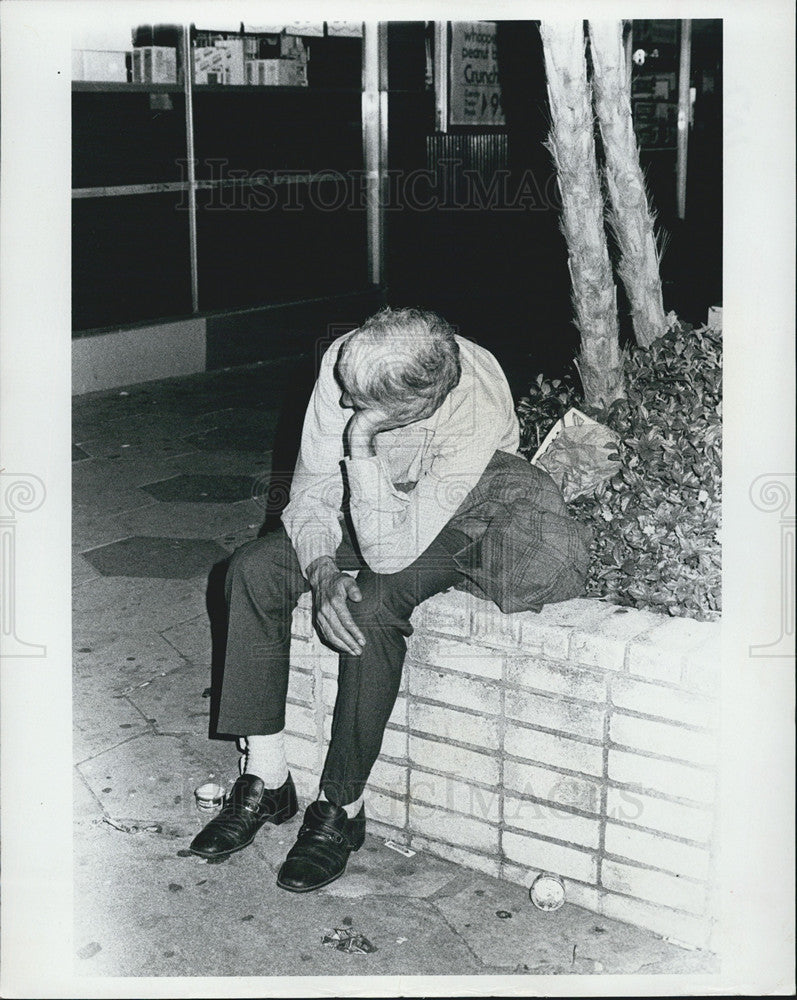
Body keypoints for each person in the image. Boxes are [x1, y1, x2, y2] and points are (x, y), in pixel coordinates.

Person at [189, 306, 590, 892]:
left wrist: (359, 438)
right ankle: (268, 780)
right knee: (251, 570)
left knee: (375, 603)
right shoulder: (350, 366)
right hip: (370, 496)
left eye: (364, 407)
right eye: (349, 400)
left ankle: (341, 809)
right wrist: (322, 567)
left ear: (425, 403)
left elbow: (389, 553)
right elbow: (312, 492)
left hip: (457, 514)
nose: (348, 407)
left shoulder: (474, 403)